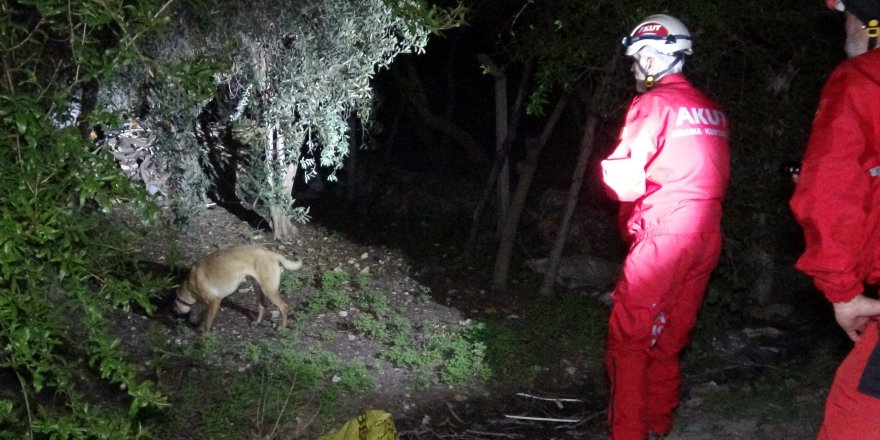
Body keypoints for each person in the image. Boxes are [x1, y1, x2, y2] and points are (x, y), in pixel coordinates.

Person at [600, 14, 730, 440]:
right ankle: (657, 424)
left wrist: (636, 206)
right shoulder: (710, 110)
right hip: (707, 235)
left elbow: (623, 178)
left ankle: (629, 434)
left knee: (629, 343)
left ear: (654, 57)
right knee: (669, 340)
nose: (636, 69)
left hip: (665, 235)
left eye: (638, 60)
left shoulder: (654, 103)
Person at [789, 1, 880, 438]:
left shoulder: (865, 77)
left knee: (853, 419)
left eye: (848, 13)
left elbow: (830, 187)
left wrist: (843, 292)